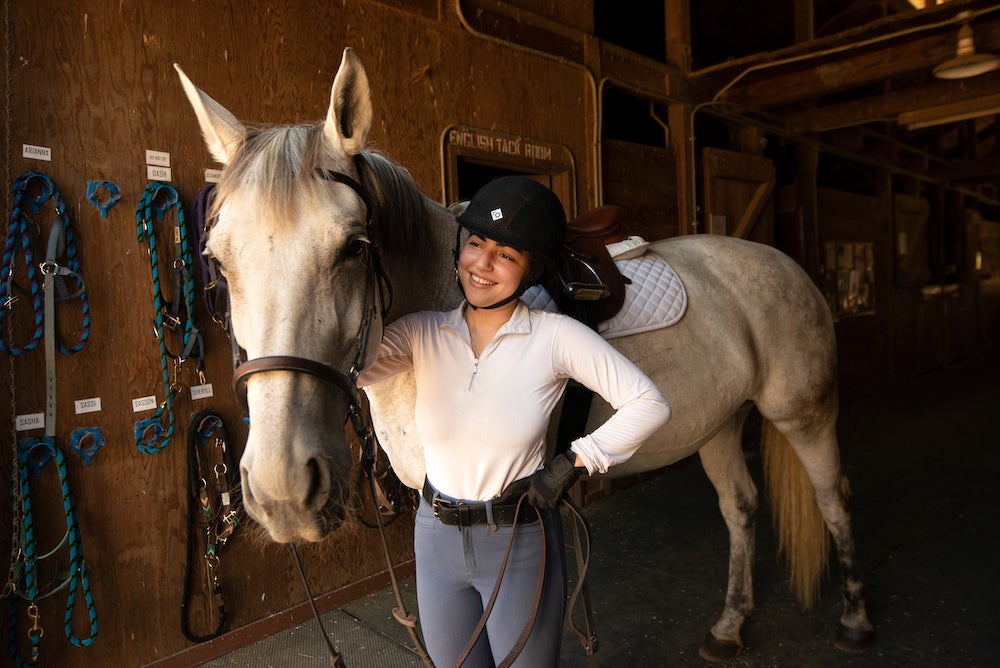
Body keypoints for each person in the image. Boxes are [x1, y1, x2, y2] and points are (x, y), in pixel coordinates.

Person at [359, 176, 670, 667]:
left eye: (506, 254)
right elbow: (346, 365)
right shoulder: (422, 332)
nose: (482, 264)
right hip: (435, 535)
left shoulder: (556, 337)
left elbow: (648, 403)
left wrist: (571, 464)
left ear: (530, 270)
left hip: (518, 539)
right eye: (477, 243)